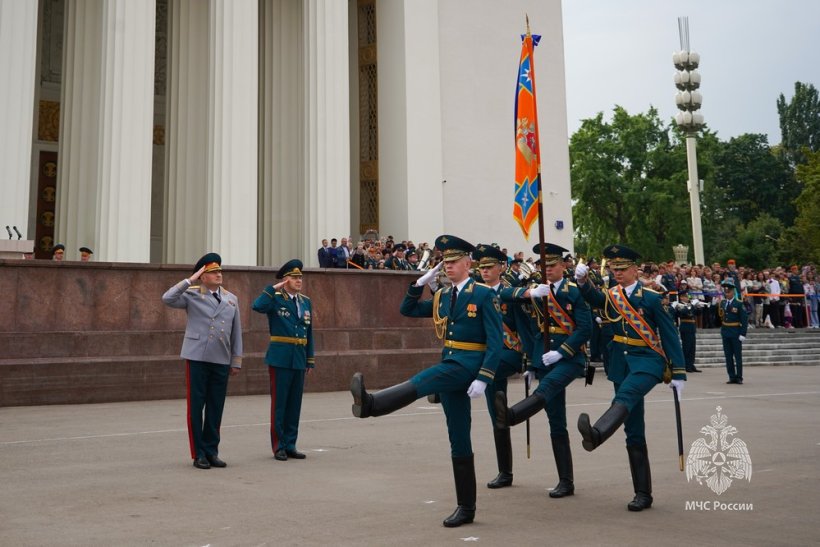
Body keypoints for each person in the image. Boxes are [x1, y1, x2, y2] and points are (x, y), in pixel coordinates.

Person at [349, 234, 502, 528]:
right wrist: (417, 285)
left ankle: (372, 404)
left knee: (426, 378)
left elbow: (495, 343)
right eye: (445, 262)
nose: (449, 266)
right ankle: (466, 507)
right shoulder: (443, 296)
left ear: (468, 263)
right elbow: (407, 310)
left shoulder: (483, 294)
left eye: (454, 261)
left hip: (467, 366)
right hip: (451, 363)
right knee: (458, 436)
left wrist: (485, 376)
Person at [573, 244, 686, 512]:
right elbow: (594, 299)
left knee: (626, 395)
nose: (618, 273)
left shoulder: (651, 298)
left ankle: (597, 433)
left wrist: (678, 372)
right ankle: (642, 493)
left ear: (636, 269)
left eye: (623, 269)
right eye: (614, 269)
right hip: (621, 363)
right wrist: (582, 280)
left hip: (648, 361)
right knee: (633, 428)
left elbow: (669, 334)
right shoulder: (612, 295)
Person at [495, 243, 592, 499]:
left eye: (552, 265)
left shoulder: (573, 291)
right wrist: (529, 294)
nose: (547, 270)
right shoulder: (538, 289)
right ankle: (566, 480)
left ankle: (512, 415)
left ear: (563, 266)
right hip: (544, 358)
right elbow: (504, 294)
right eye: (543, 266)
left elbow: (585, 328)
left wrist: (563, 351)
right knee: (555, 419)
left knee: (546, 389)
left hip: (568, 358)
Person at [161, 253, 243, 469]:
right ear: (203, 276)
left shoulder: (231, 298)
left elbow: (237, 332)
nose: (218, 275)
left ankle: (212, 450)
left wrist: (236, 360)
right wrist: (190, 279)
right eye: (213, 272)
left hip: (221, 358)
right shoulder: (192, 294)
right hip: (197, 356)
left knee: (216, 407)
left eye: (219, 271)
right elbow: (167, 298)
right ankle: (198, 453)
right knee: (197, 407)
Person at [471, 244, 525, 489]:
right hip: (487, 357)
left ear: (501, 268)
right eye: (481, 266)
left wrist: (532, 359)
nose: (484, 270)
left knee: (482, 377)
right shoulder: (476, 292)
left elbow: (525, 326)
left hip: (508, 353)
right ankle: (506, 472)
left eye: (489, 266)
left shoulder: (511, 293)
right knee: (497, 414)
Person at [252, 259, 315, 461]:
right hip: (280, 358)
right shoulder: (275, 298)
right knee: (279, 404)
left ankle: (290, 444)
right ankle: (278, 446)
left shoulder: (305, 301)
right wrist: (273, 288)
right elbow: (257, 306)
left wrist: (310, 359)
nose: (299, 280)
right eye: (294, 277)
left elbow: (309, 332)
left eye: (300, 277)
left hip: (298, 358)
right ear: (285, 279)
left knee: (294, 404)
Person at [719, 278, 748, 384]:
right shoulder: (722, 303)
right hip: (726, 332)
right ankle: (731, 376)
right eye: (726, 292)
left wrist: (743, 333)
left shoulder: (739, 304)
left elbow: (744, 320)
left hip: (735, 332)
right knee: (728, 356)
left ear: (733, 292)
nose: (727, 293)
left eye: (729, 291)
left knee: (738, 356)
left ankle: (739, 377)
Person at [671, 289, 703, 373]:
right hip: (685, 326)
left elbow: (697, 313)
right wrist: (691, 305)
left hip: (692, 327)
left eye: (687, 296)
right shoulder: (679, 305)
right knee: (687, 347)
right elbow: (682, 313)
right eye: (685, 296)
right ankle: (686, 365)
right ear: (681, 297)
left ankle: (691, 364)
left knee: (692, 347)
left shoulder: (690, 305)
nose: (687, 298)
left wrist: (698, 307)